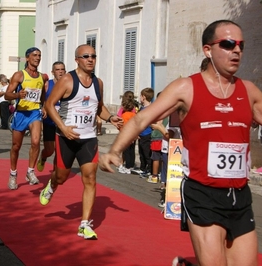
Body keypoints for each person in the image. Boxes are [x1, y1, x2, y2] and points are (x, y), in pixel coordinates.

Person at [99, 20, 259, 265]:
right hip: (203, 193)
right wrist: (115, 150)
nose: (236, 50)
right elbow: (142, 118)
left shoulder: (248, 91)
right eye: (228, 44)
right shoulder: (186, 88)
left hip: (240, 194)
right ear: (208, 50)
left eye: (241, 45)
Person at [39, 44, 122, 240]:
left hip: (88, 138)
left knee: (90, 178)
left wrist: (110, 118)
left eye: (93, 56)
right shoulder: (67, 80)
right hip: (66, 138)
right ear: (77, 59)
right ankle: (51, 186)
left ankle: (84, 224)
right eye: (86, 56)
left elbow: (98, 107)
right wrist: (63, 127)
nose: (90, 59)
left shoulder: (98, 83)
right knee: (61, 176)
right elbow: (49, 104)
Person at [4, 47, 48, 190]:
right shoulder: (19, 75)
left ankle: (30, 171)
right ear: (28, 58)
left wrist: (44, 107)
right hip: (21, 113)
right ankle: (13, 174)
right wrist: (17, 95)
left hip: (35, 113)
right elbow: (7, 95)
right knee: (16, 147)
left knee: (36, 141)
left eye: (39, 55)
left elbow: (42, 96)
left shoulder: (42, 77)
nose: (37, 58)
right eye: (34, 55)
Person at [37, 61, 66, 172]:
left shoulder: (69, 84)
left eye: (62, 69)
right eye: (57, 70)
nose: (60, 72)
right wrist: (43, 107)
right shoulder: (47, 84)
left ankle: (55, 172)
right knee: (50, 150)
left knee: (59, 150)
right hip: (49, 121)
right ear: (53, 72)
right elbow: (41, 99)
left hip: (63, 122)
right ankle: (43, 157)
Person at [133, 87, 154, 178]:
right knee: (141, 153)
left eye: (141, 96)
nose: (140, 98)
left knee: (147, 153)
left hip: (147, 133)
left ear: (144, 97)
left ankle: (149, 170)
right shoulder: (142, 108)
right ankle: (142, 168)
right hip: (141, 133)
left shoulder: (150, 108)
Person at [117, 91, 137, 174]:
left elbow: (122, 125)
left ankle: (127, 167)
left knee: (126, 151)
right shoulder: (134, 114)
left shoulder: (124, 115)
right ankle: (131, 165)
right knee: (132, 151)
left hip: (125, 135)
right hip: (133, 134)